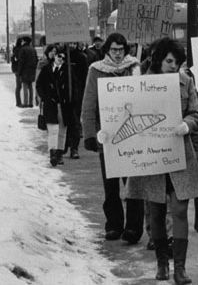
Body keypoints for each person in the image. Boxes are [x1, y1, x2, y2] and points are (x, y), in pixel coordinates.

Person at [124, 37, 198, 284]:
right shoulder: (141, 82)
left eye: (177, 62)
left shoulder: (186, 82)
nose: (173, 66)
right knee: (157, 212)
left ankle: (180, 268)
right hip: (152, 157)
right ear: (159, 59)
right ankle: (162, 264)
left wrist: (187, 124)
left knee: (180, 210)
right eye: (170, 61)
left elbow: (196, 113)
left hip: (180, 154)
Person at [81, 32, 145, 244]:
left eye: (121, 49)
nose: (118, 54)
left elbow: (144, 96)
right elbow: (89, 103)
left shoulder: (135, 68)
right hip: (107, 137)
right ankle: (114, 225)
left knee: (133, 185)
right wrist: (89, 134)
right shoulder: (96, 70)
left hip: (132, 135)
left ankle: (133, 228)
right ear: (107, 50)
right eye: (113, 50)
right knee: (111, 185)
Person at [35, 45, 73, 167]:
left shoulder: (68, 71)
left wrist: (71, 99)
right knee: (52, 130)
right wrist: (45, 97)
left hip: (64, 105)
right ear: (54, 57)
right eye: (58, 55)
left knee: (62, 130)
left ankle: (60, 154)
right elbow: (39, 85)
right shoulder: (46, 69)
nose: (60, 58)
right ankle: (53, 153)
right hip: (50, 104)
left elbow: (74, 87)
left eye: (62, 56)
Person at [63, 43, 88, 159]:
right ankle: (63, 146)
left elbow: (85, 78)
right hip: (61, 95)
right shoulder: (60, 56)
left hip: (76, 95)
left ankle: (74, 148)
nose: (71, 44)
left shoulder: (81, 57)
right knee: (62, 122)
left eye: (74, 42)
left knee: (75, 122)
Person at [16, 36, 38, 107]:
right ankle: (30, 103)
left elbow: (21, 62)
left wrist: (19, 72)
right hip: (32, 70)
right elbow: (36, 60)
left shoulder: (23, 50)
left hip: (25, 71)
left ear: (25, 41)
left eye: (22, 41)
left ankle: (25, 103)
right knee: (30, 87)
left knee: (25, 86)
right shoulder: (33, 49)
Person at [10, 38, 23, 107]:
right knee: (20, 86)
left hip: (16, 69)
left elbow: (13, 59)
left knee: (18, 86)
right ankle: (19, 103)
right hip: (19, 69)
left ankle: (18, 102)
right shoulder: (20, 50)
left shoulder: (15, 49)